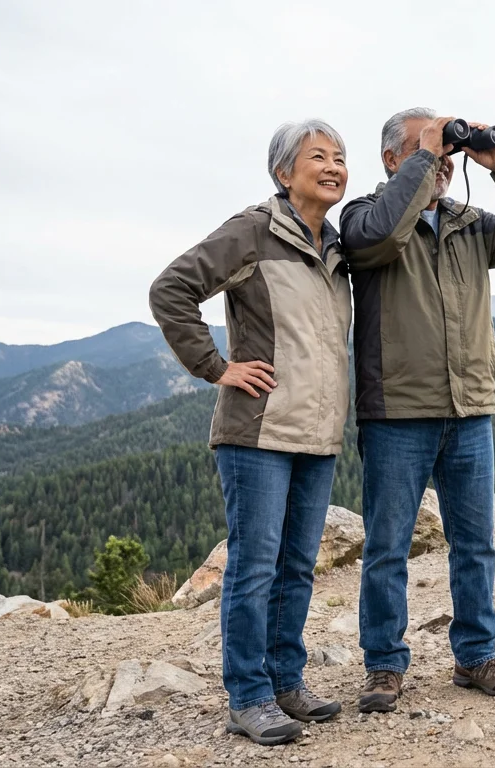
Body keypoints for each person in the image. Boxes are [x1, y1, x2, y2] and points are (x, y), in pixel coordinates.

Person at [339, 107, 495, 712]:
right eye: (423, 147)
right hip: (397, 413)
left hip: (470, 409)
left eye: (444, 149)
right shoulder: (364, 217)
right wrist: (425, 156)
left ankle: (476, 656)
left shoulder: (469, 224)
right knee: (387, 546)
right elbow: (381, 236)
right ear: (392, 159)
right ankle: (384, 665)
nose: (442, 158)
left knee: (475, 543)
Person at [149, 119, 352, 746]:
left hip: (317, 434)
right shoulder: (252, 231)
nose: (333, 166)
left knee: (296, 566)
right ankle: (249, 696)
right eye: (317, 156)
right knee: (255, 567)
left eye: (340, 158)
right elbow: (172, 289)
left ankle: (287, 681)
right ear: (283, 172)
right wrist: (217, 368)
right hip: (257, 433)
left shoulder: (337, 247)